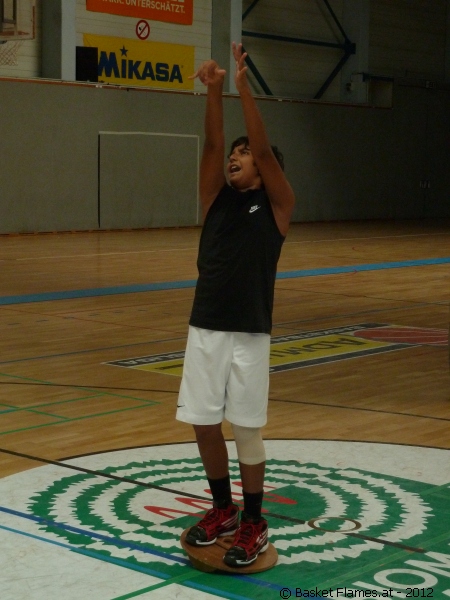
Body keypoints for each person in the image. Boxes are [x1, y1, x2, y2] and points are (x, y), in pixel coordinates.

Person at [176, 42, 295, 567]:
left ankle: (254, 520)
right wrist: (213, 90)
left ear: (264, 170)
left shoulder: (278, 206)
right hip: (206, 325)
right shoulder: (214, 199)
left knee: (246, 427)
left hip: (249, 330)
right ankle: (223, 509)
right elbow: (211, 143)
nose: (235, 156)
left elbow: (265, 151)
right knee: (204, 422)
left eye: (243, 153)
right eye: (235, 152)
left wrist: (244, 87)